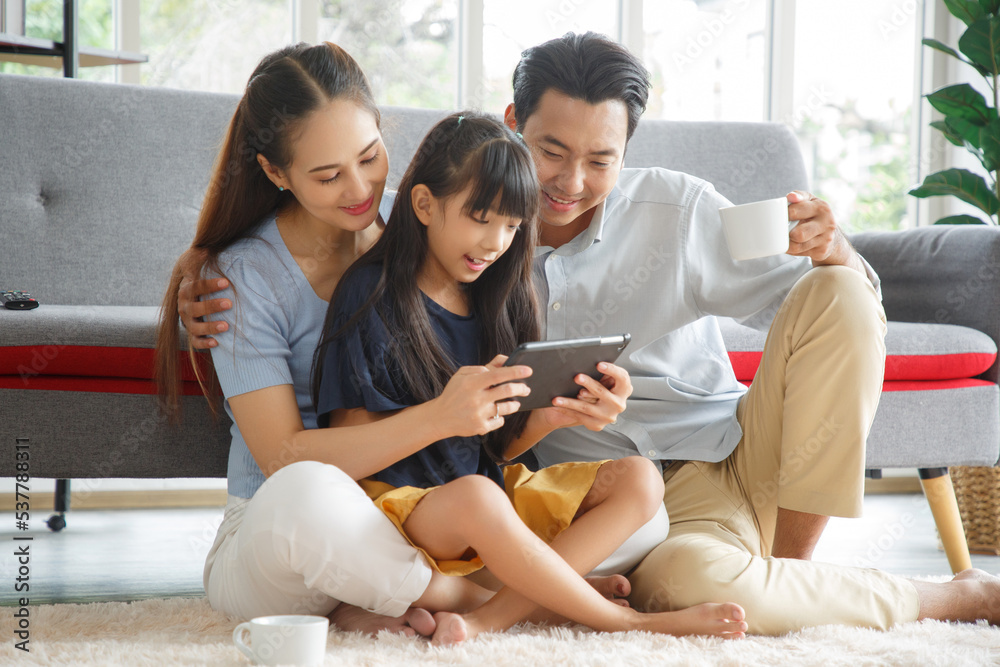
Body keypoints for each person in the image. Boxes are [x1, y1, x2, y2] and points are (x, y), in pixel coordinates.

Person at [179, 34, 1000, 634]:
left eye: (370, 159)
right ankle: (524, 607)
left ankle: (784, 565)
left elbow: (818, 297)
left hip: (689, 463)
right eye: (550, 152)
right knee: (676, 572)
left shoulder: (505, 234)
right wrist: (200, 278)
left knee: (837, 303)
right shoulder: (400, 244)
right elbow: (314, 447)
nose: (569, 184)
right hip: (395, 504)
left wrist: (834, 242)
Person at [157, 41, 670, 639]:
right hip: (296, 524)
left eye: (370, 156)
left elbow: (486, 177)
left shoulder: (427, 225)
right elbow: (281, 461)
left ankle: (431, 598)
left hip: (425, 521)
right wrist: (442, 417)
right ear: (276, 172)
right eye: (327, 175)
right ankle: (527, 596)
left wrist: (552, 410)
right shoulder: (242, 278)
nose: (358, 189)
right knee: (308, 493)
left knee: (648, 512)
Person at [311, 110, 748, 645]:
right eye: (480, 218)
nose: (496, 242)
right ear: (424, 204)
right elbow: (343, 462)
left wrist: (549, 416)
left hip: (480, 498)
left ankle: (490, 616)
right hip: (397, 507)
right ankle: (622, 620)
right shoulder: (372, 295)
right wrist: (441, 417)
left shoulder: (499, 294)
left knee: (640, 479)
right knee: (477, 496)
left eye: (514, 225)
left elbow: (496, 451)